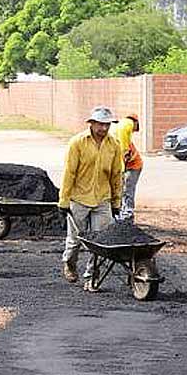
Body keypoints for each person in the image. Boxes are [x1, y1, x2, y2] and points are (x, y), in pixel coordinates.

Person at [58, 106, 123, 290]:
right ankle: (69, 263)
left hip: (102, 199)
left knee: (100, 243)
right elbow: (69, 173)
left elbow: (116, 175)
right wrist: (64, 200)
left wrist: (116, 202)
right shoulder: (77, 143)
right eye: (100, 124)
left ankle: (91, 278)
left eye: (107, 124)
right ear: (92, 124)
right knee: (75, 240)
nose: (104, 128)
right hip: (79, 198)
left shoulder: (114, 145)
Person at [109, 113, 143, 221]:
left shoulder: (126, 125)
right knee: (121, 189)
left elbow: (124, 154)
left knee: (127, 189)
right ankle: (120, 212)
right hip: (128, 165)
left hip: (133, 166)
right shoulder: (125, 125)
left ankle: (128, 213)